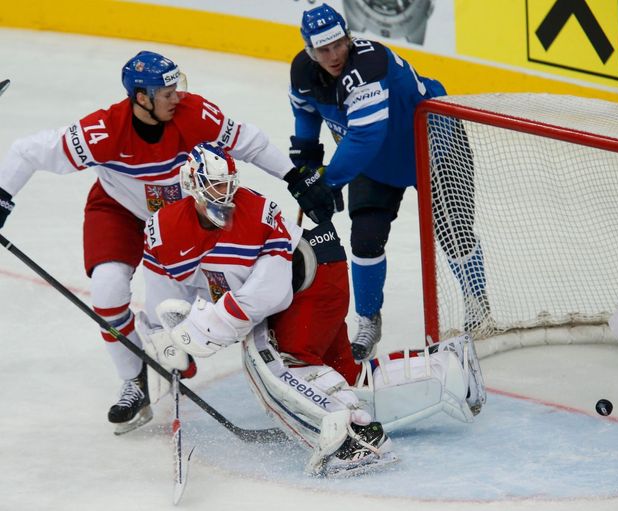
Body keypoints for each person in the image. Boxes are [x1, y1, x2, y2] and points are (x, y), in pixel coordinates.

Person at [0, 51, 333, 435]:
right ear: (141, 97)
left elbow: (250, 142)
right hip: (119, 211)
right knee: (107, 294)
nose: (177, 97)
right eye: (166, 92)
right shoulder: (104, 131)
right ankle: (134, 380)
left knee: (207, 290)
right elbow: (27, 151)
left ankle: (183, 346)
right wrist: (3, 197)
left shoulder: (195, 114)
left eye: (177, 87)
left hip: (183, 214)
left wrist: (295, 176)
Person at [139, 142, 486, 476]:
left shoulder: (256, 213)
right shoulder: (163, 228)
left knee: (279, 362)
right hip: (309, 283)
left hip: (315, 282)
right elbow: (167, 282)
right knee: (345, 377)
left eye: (227, 186)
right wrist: (164, 332)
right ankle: (449, 370)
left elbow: (270, 294)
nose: (224, 197)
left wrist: (210, 326)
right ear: (192, 185)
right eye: (214, 187)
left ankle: (356, 439)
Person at [287, 4, 490, 361]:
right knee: (365, 239)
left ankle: (478, 303)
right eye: (323, 49)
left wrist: (328, 181)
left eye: (338, 44)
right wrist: (306, 165)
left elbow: (365, 137)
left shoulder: (370, 64)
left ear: (348, 38)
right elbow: (306, 117)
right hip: (375, 162)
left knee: (454, 230)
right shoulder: (303, 73)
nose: (333, 55)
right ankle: (368, 319)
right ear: (309, 51)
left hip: (435, 145)